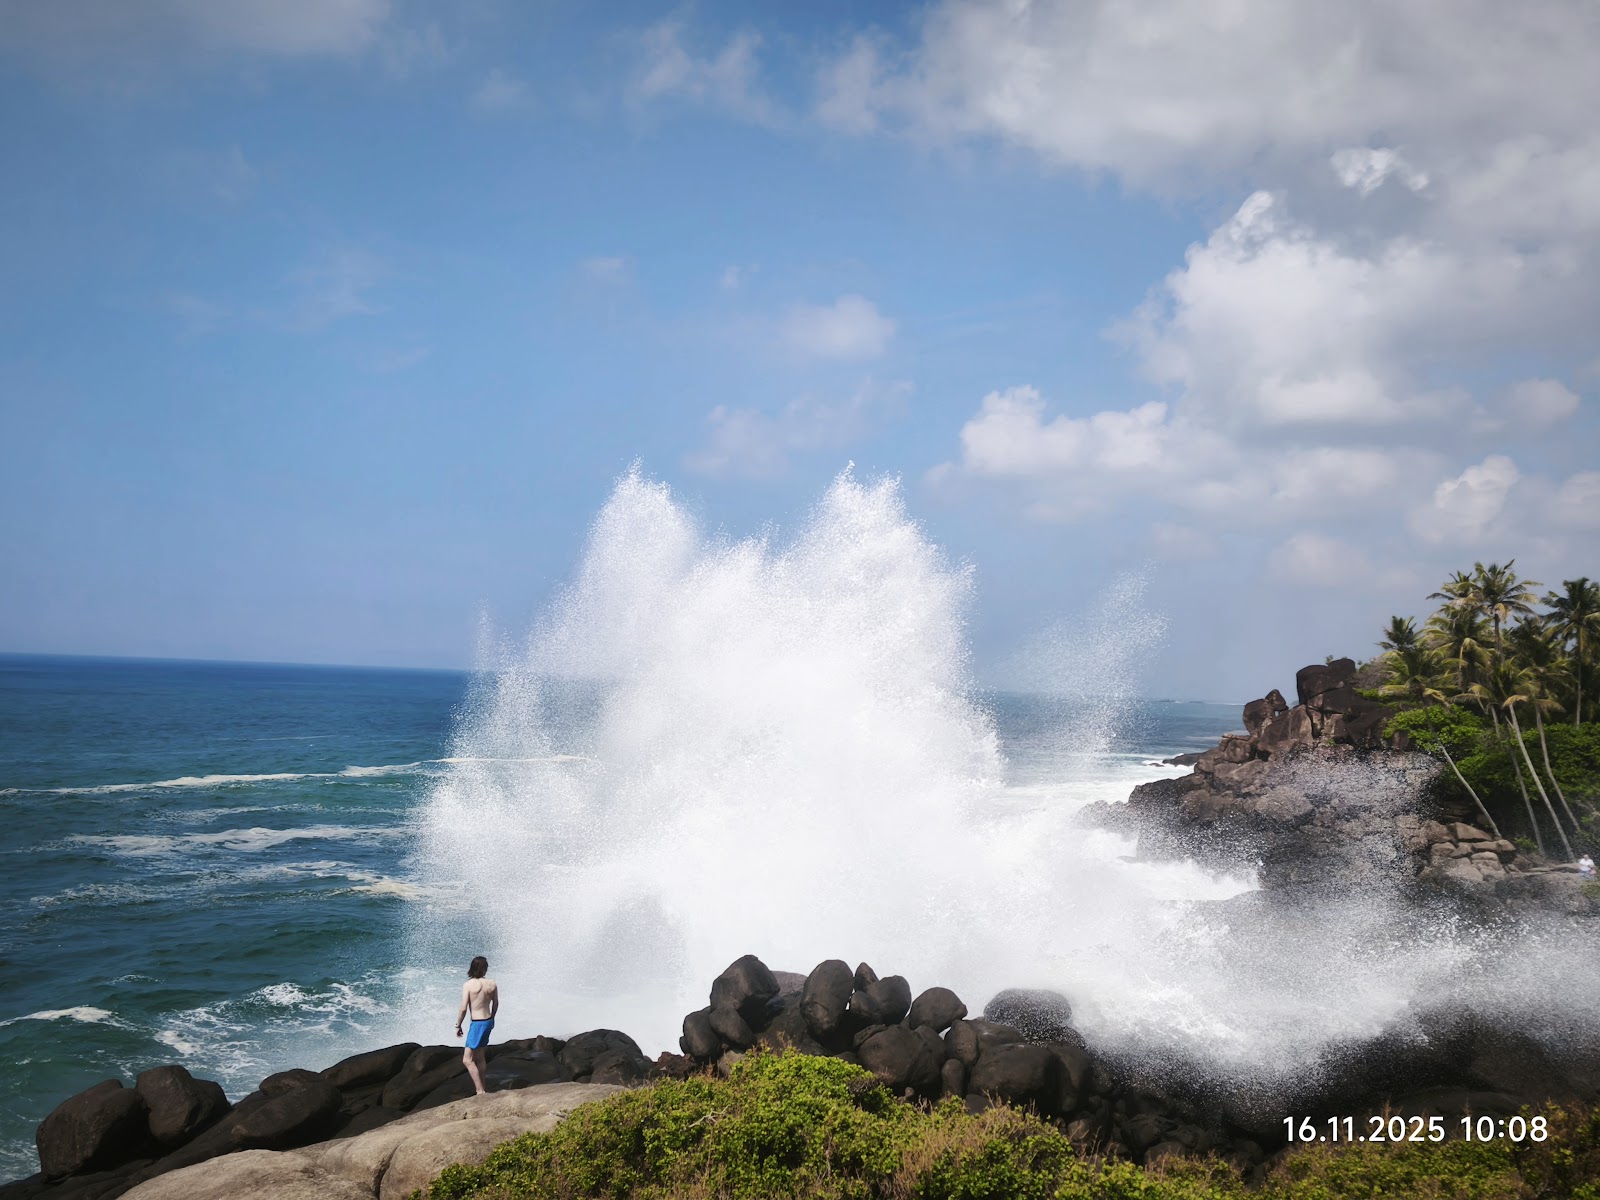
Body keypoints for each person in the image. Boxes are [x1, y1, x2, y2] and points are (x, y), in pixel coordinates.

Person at [454, 955, 499, 1095]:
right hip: (488, 1021)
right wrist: (492, 1017)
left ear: (472, 968)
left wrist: (458, 1025)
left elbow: (463, 1008)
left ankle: (480, 1091)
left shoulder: (468, 985)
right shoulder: (492, 983)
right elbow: (496, 1003)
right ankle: (483, 1087)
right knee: (480, 1056)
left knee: (467, 1059)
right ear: (485, 969)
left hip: (477, 1023)